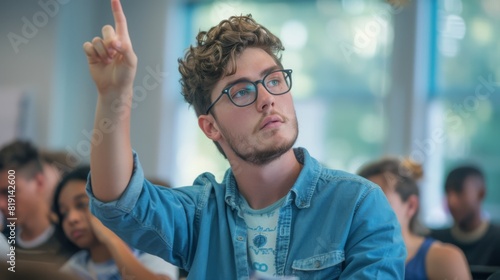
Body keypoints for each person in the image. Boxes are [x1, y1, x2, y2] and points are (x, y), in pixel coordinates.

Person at [83, 0, 406, 278]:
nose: (267, 99)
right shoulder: (200, 215)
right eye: (241, 91)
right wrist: (114, 95)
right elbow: (119, 203)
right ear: (211, 127)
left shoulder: (358, 204)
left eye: (274, 80)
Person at [53, 166, 179, 280]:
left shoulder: (152, 250)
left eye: (81, 205)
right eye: (64, 213)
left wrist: (112, 240)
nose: (71, 219)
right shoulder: (73, 270)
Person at [358, 157, 471, 280]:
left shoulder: (444, 259)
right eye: (361, 204)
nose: (366, 213)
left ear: (411, 206)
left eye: (381, 202)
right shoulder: (350, 257)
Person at [0, 140, 76, 267]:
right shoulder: (3, 243)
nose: (1, 204)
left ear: (39, 182)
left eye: (10, 192)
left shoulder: (71, 245)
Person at [430, 166, 500, 270]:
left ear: (481, 194)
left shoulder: (496, 240)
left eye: (459, 192)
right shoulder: (436, 241)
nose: (451, 201)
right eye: (448, 193)